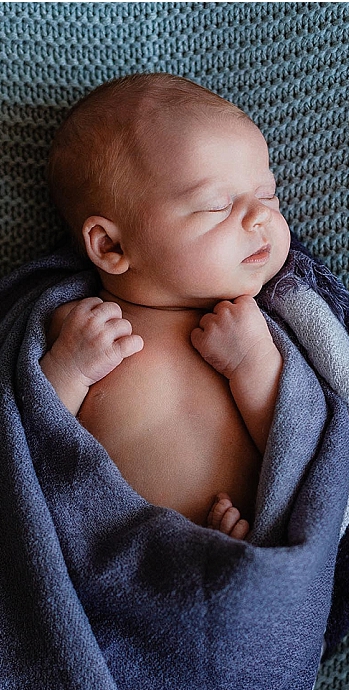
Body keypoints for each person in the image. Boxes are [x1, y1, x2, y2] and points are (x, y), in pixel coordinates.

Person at [38, 73, 289, 539]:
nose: (261, 217)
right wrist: (68, 370)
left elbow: (295, 442)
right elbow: (31, 440)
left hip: (235, 555)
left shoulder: (253, 330)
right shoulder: (79, 329)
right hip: (114, 564)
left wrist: (254, 367)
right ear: (111, 245)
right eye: (217, 205)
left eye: (267, 194)